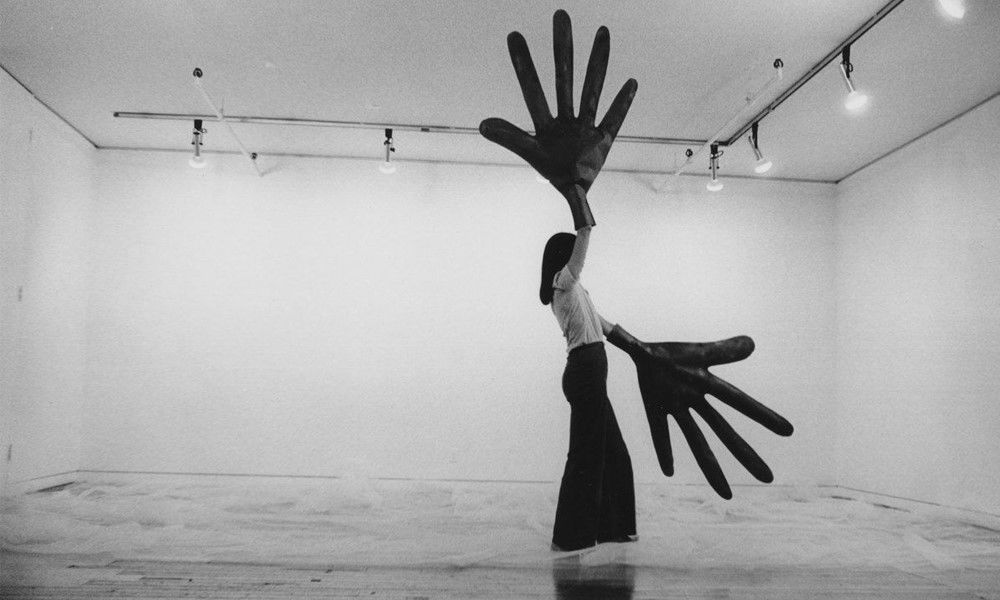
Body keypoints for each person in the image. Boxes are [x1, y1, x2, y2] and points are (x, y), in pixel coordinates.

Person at [541, 225, 636, 552]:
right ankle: (569, 538)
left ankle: (615, 528)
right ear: (562, 259)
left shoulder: (577, 290)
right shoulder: (561, 284)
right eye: (571, 254)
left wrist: (638, 347)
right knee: (585, 455)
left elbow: (603, 325)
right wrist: (584, 223)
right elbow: (579, 253)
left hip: (592, 372)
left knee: (613, 450)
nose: (576, 260)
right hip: (584, 372)